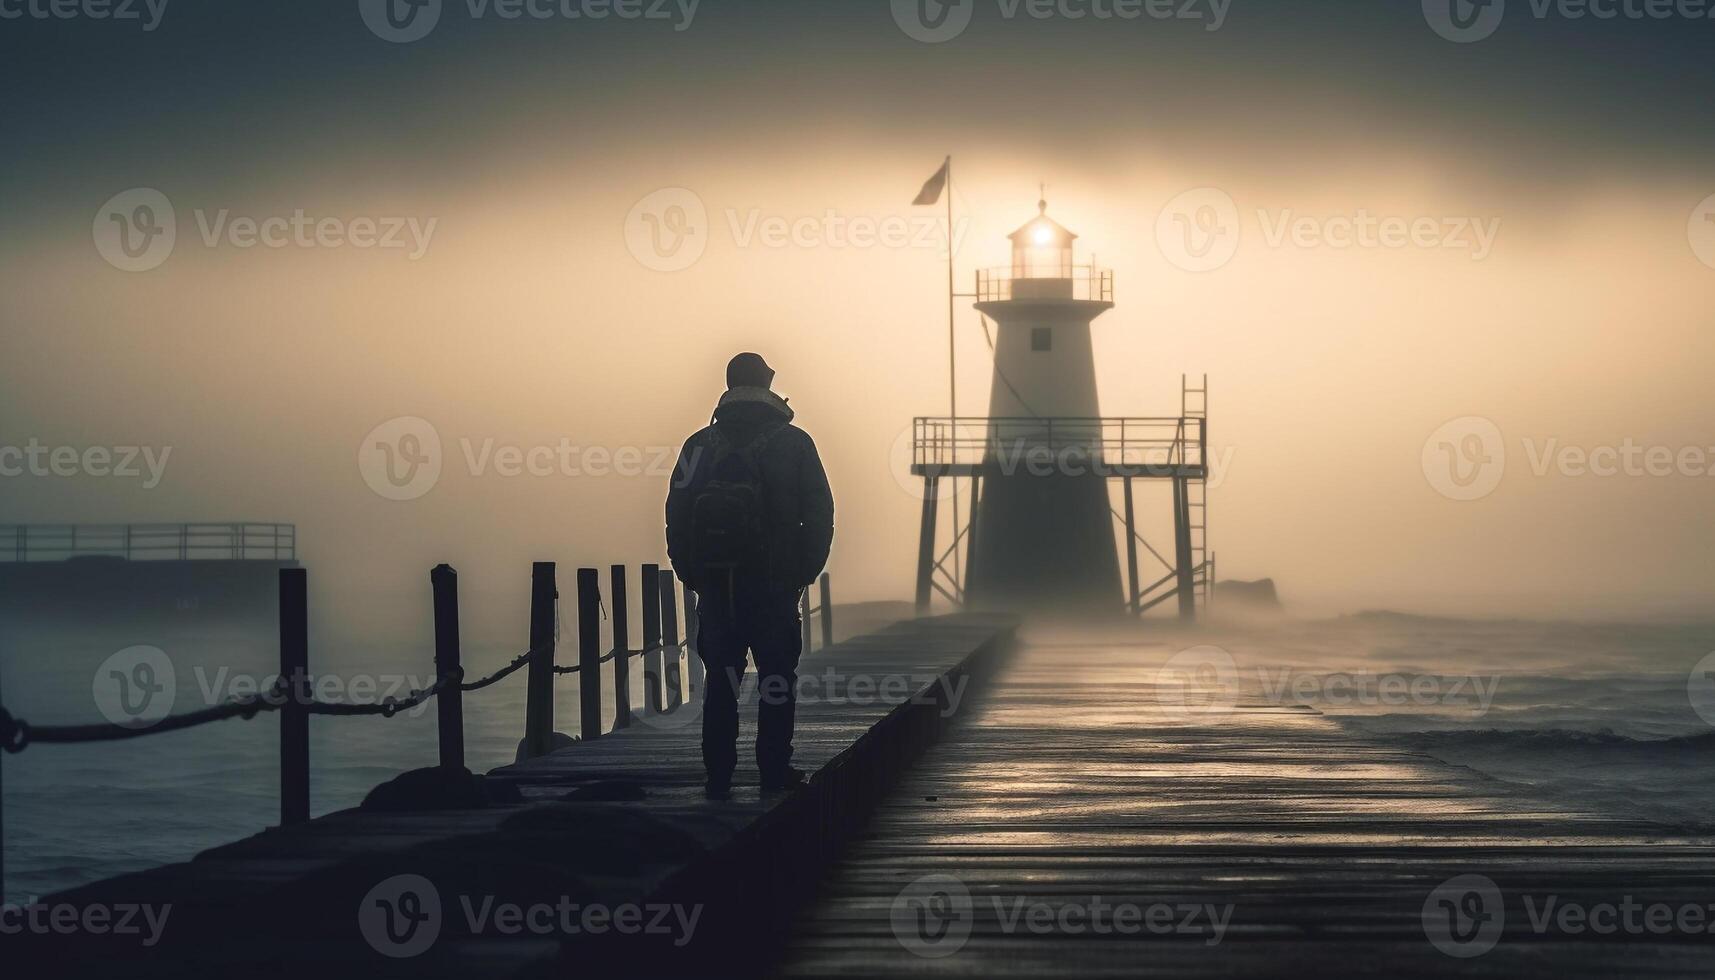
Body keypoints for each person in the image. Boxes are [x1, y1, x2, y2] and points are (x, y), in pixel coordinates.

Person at [666, 352, 835, 800]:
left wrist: (693, 572)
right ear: (767, 386)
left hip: (718, 586)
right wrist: (803, 572)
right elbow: (820, 514)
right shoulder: (795, 444)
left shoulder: (698, 445)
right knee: (776, 680)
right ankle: (773, 771)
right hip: (775, 586)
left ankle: (718, 775)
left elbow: (677, 513)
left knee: (720, 680)